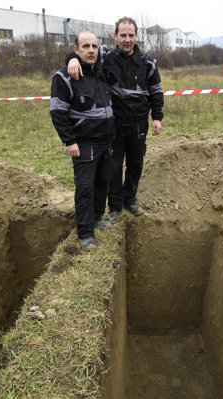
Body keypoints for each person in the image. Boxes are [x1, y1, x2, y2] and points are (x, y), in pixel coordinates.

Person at [67, 17, 164, 222]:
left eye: (131, 35)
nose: (127, 39)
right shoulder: (105, 58)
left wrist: (157, 117)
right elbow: (84, 53)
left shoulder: (148, 63)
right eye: (123, 35)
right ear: (115, 36)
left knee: (136, 164)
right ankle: (115, 206)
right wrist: (71, 59)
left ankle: (130, 199)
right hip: (114, 126)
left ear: (136, 37)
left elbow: (156, 91)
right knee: (113, 167)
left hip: (139, 125)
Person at [50, 31, 114, 250]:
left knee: (102, 182)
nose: (91, 50)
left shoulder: (100, 72)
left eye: (94, 46)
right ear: (76, 50)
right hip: (84, 144)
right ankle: (85, 233)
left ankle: (97, 217)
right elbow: (58, 112)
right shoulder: (65, 77)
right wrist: (70, 141)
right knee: (85, 188)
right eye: (85, 46)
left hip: (106, 141)